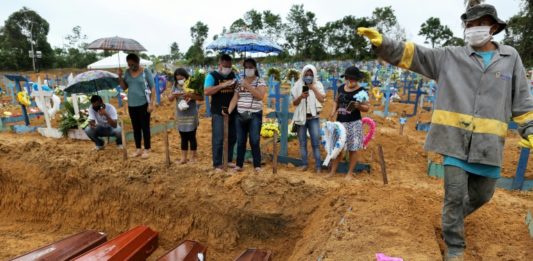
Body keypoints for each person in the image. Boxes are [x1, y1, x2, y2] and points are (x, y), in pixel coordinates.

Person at [358, 3, 533, 260]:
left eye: (479, 24)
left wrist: (529, 127)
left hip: (488, 145)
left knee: (483, 195)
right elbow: (414, 55)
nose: (474, 29)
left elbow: (522, 100)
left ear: (493, 27)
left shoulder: (510, 58)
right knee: (453, 194)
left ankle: (450, 220)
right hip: (454, 141)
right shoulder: (450, 56)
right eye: (470, 24)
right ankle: (454, 248)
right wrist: (383, 43)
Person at [328, 66, 369, 178]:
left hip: (354, 123)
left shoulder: (362, 91)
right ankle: (332, 172)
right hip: (340, 122)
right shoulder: (341, 88)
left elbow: (367, 108)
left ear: (357, 79)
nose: (350, 80)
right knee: (338, 148)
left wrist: (358, 106)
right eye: (348, 78)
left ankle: (349, 173)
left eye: (352, 78)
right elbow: (336, 101)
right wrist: (332, 112)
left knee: (353, 149)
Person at [228, 58, 267, 172]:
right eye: (246, 67)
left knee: (254, 140)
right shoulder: (239, 82)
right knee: (240, 141)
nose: (248, 69)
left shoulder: (260, 81)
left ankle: (257, 165)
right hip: (240, 115)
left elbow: (260, 96)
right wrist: (229, 111)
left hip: (254, 115)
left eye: (251, 67)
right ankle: (239, 165)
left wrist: (248, 86)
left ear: (255, 68)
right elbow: (235, 98)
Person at [118, 53, 155, 159]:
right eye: (129, 64)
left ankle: (147, 148)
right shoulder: (127, 73)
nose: (131, 66)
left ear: (138, 62)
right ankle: (138, 148)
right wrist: (120, 76)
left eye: (133, 64)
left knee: (145, 127)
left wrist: (151, 104)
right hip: (132, 105)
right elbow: (124, 87)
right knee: (136, 128)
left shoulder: (145, 72)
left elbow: (152, 88)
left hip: (144, 104)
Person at [204, 54, 238, 171]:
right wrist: (222, 85)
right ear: (220, 64)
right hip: (218, 111)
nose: (228, 68)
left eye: (230, 66)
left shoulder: (233, 75)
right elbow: (207, 91)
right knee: (218, 138)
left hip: (232, 111)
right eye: (225, 66)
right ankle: (217, 163)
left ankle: (227, 160)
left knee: (232, 137)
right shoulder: (212, 76)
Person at [291, 64, 326, 174]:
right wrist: (301, 96)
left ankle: (318, 166)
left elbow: (322, 99)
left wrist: (313, 88)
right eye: (307, 74)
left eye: (311, 74)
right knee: (302, 143)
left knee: (315, 143)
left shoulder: (318, 84)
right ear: (303, 74)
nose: (309, 76)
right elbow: (294, 103)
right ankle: (304, 164)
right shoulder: (297, 85)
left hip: (313, 118)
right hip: (302, 118)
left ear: (314, 75)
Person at [168, 68, 203, 164]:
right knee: (183, 136)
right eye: (178, 78)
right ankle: (183, 158)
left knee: (192, 135)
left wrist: (190, 95)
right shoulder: (175, 85)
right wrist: (174, 95)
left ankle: (193, 157)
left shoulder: (192, 84)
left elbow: (201, 97)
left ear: (186, 77)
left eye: (182, 78)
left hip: (191, 114)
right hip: (181, 115)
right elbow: (170, 98)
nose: (180, 80)